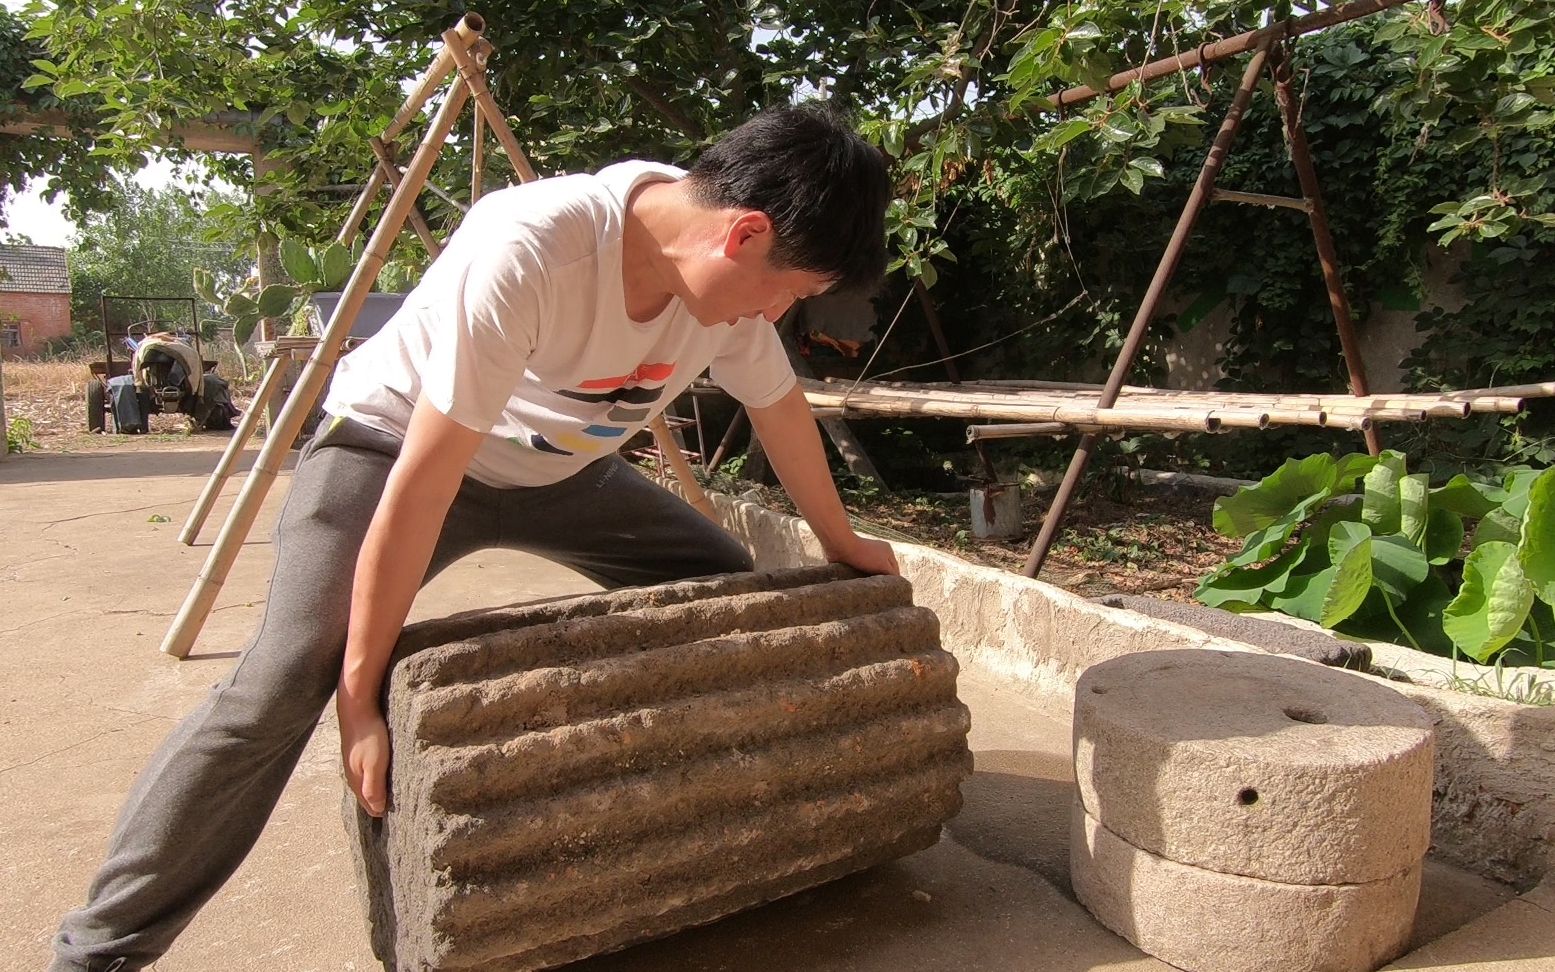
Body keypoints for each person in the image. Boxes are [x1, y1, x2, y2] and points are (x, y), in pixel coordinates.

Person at [50, 102, 898, 971]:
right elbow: (422, 484)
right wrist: (357, 696)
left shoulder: (727, 292)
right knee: (280, 681)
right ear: (745, 233)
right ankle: (98, 951)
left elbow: (779, 408)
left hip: (563, 473)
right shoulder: (536, 245)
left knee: (727, 593)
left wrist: (840, 541)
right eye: (787, 295)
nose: (776, 317)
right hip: (393, 452)